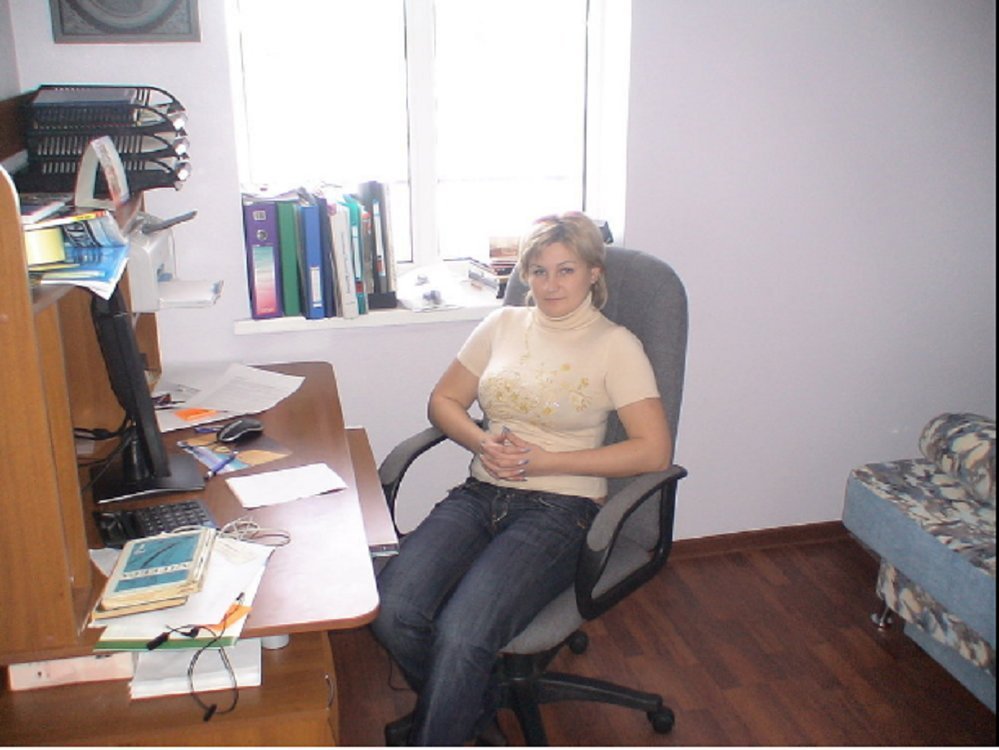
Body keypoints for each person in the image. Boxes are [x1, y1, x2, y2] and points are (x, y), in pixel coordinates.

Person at [371, 211, 673, 745]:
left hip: (561, 509)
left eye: (565, 270)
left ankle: (449, 722)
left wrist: (546, 461)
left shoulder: (616, 346)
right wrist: (480, 441)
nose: (550, 284)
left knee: (463, 632)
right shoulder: (502, 325)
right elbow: (444, 401)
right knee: (392, 609)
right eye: (538, 271)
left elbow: (654, 450)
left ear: (593, 273)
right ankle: (474, 709)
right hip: (480, 493)